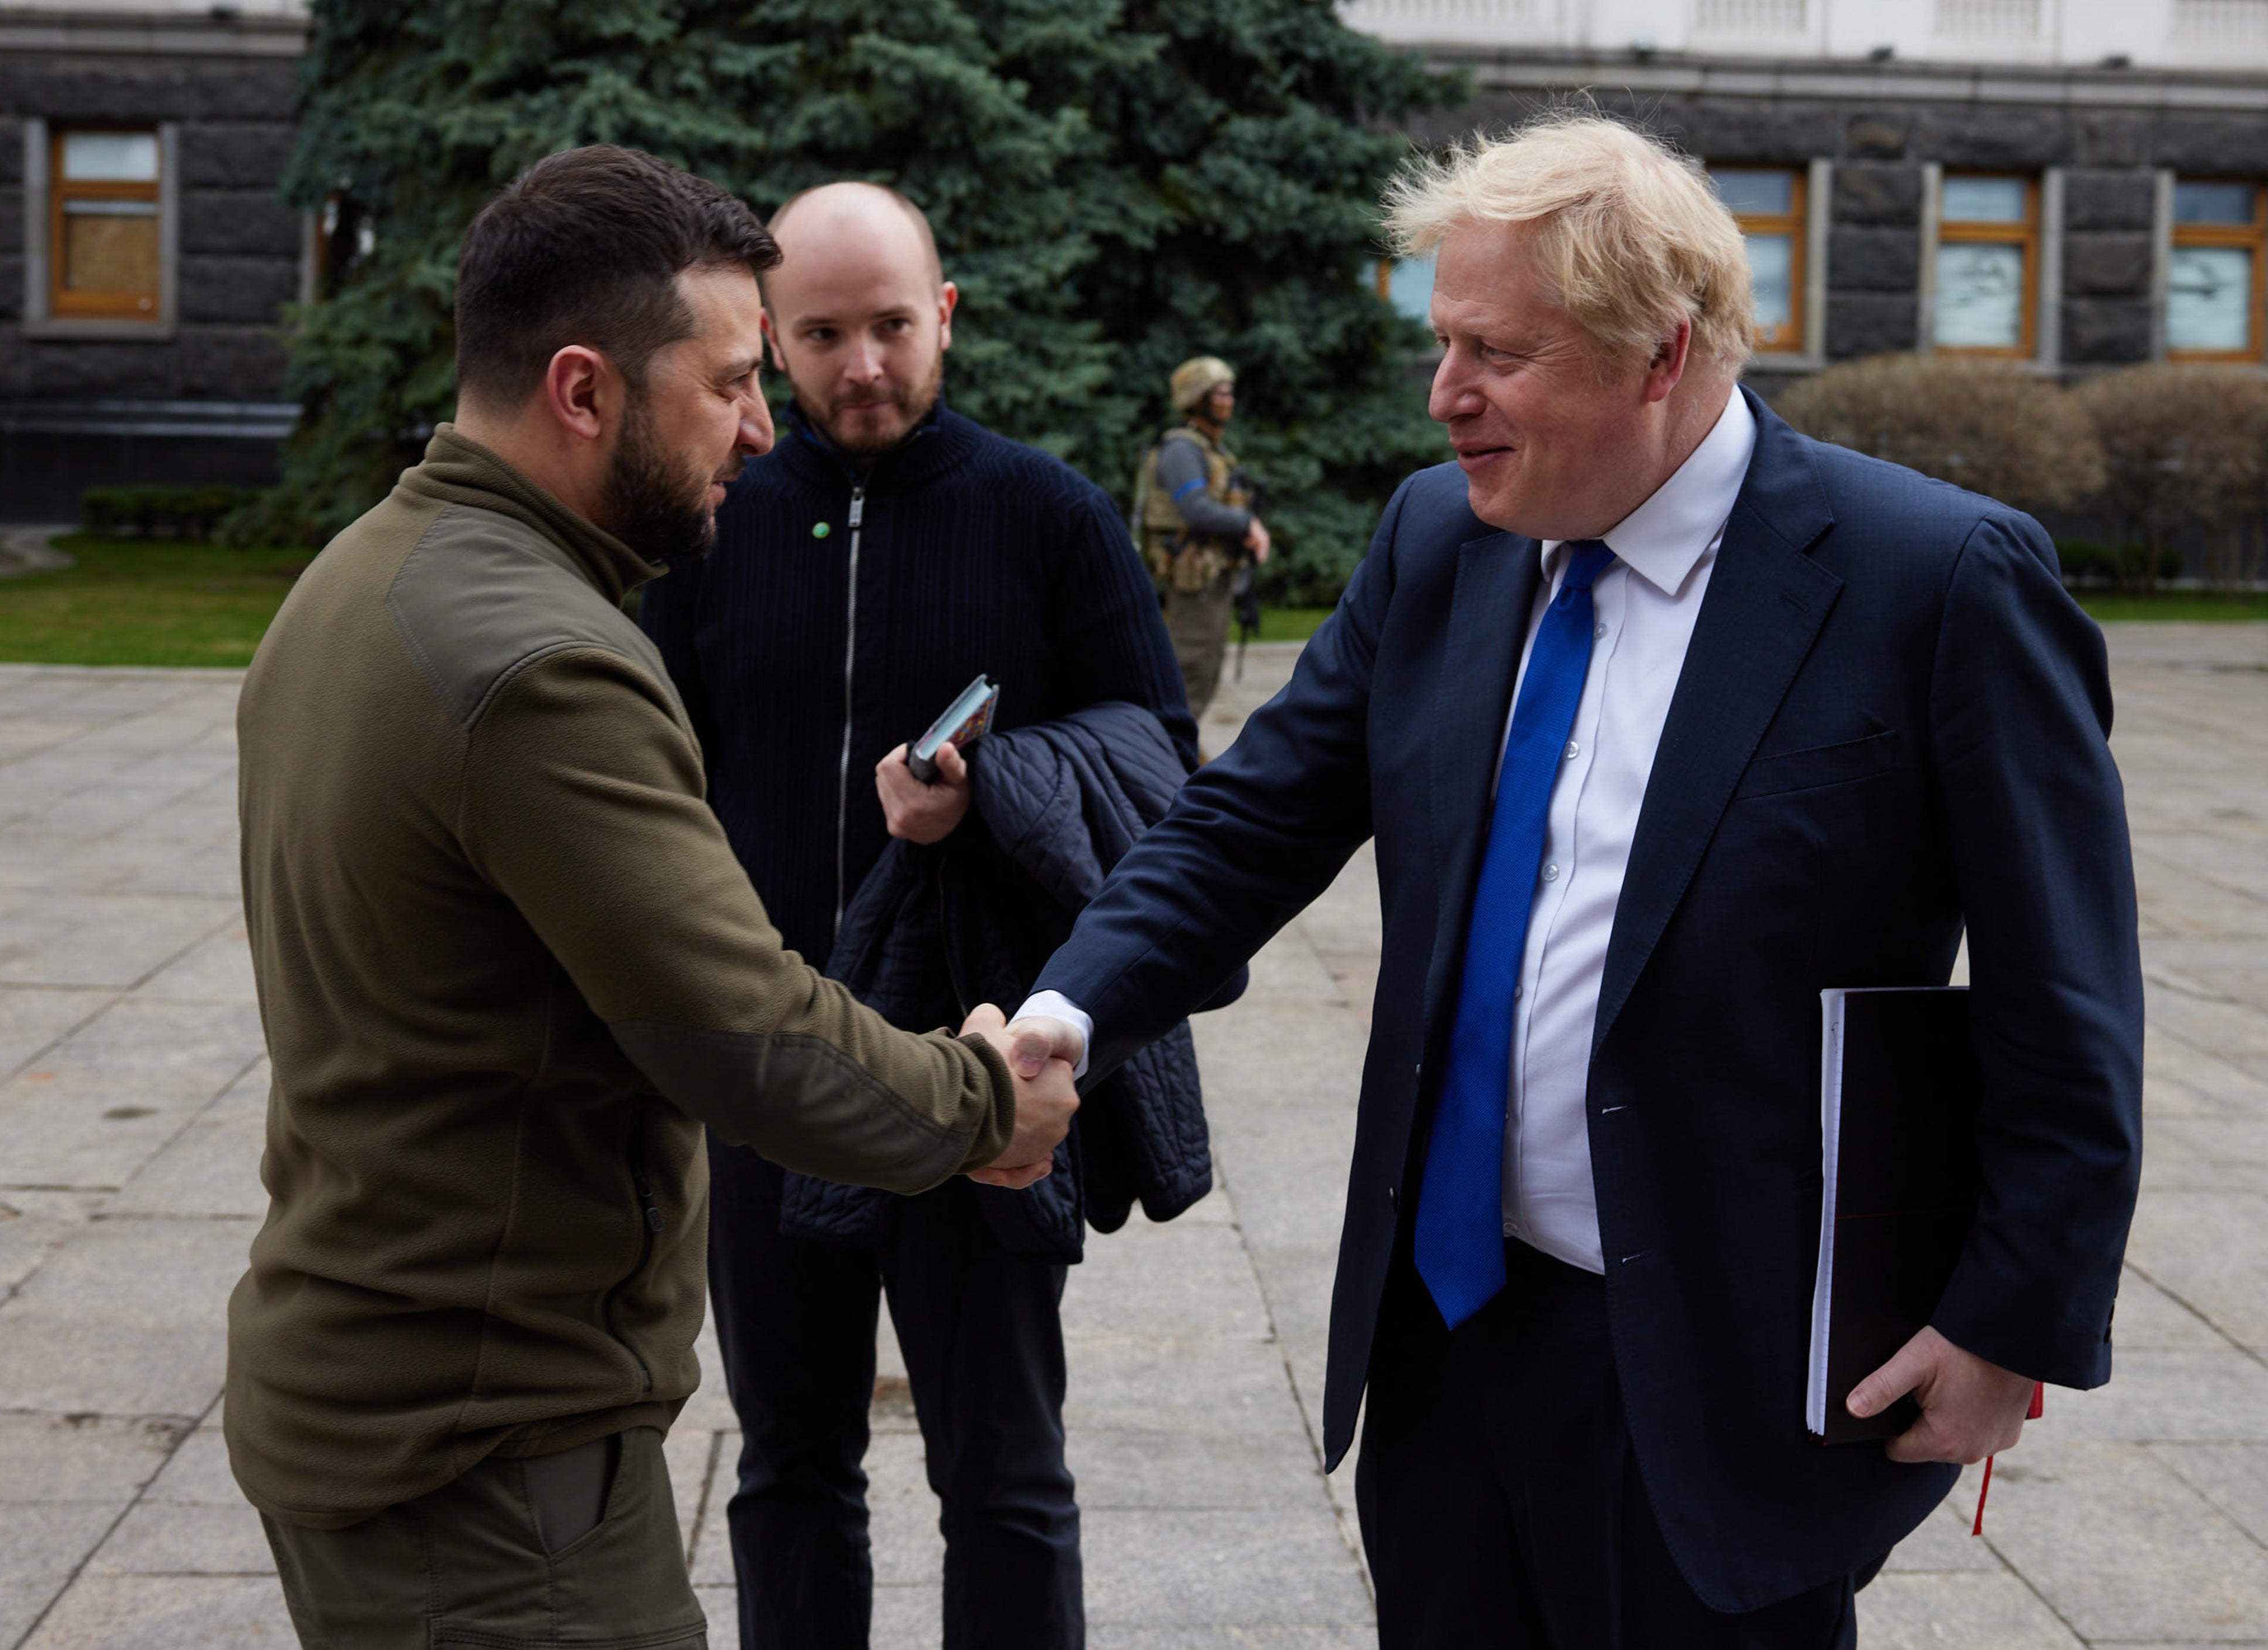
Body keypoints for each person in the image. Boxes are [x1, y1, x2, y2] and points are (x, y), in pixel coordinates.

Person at [1012, 113, 2143, 1646]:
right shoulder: (1439, 537)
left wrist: (2012, 1313)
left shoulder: (1931, 579)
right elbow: (1252, 819)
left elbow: (2063, 989)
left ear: (1660, 356)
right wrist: (1062, 1016)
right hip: (1446, 1330)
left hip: (1720, 1369)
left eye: (1497, 353)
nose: (1444, 395)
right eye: (1442, 344)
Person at [227, 147, 1077, 1650]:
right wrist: (976, 1100)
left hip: (382, 1391)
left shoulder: (364, 577)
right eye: (732, 379)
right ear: (582, 389)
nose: (763, 428)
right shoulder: (544, 663)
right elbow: (739, 1028)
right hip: (492, 1464)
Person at [639, 181, 1199, 1650]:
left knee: (1004, 1474)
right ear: (772, 338)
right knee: (787, 1464)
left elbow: (1162, 758)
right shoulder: (714, 522)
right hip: (771, 1071)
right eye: (821, 335)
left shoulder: (1050, 513)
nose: (864, 366)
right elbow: (641, 772)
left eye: (891, 325)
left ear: (942, 314)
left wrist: (995, 784)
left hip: (973, 1058)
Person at [1135, 356, 1271, 721]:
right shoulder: (1183, 449)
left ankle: (1180, 749)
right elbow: (1195, 509)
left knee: (1205, 670)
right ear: (1198, 399)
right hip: (1192, 581)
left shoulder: (1210, 449)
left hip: (1210, 577)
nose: (1229, 401)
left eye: (1230, 393)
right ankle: (1167, 757)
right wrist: (1246, 523)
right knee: (1190, 670)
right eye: (1221, 393)